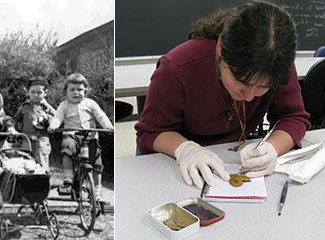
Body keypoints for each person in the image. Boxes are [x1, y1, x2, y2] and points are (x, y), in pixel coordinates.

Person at [135, 1, 310, 188]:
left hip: (231, 157)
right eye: (242, 82)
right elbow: (150, 132)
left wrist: (272, 148)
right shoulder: (177, 69)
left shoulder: (275, 66)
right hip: (176, 164)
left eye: (262, 87)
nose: (250, 97)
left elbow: (293, 117)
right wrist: (186, 150)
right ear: (220, 48)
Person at [48, 73, 112, 196]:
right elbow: (58, 117)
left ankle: (97, 192)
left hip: (90, 137)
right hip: (72, 135)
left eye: (80, 90)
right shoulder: (64, 105)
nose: (76, 93)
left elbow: (100, 115)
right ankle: (68, 177)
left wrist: (108, 126)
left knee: (97, 164)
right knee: (67, 149)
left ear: (85, 90)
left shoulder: (90, 103)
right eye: (72, 90)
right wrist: (54, 125)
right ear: (66, 91)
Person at [14, 77, 56, 170]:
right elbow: (16, 120)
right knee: (26, 167)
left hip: (42, 143)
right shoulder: (24, 106)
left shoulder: (47, 107)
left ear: (45, 93)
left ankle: (44, 183)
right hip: (26, 142)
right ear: (28, 92)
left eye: (39, 92)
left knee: (42, 168)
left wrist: (47, 118)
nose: (36, 95)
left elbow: (57, 121)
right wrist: (16, 129)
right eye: (32, 92)